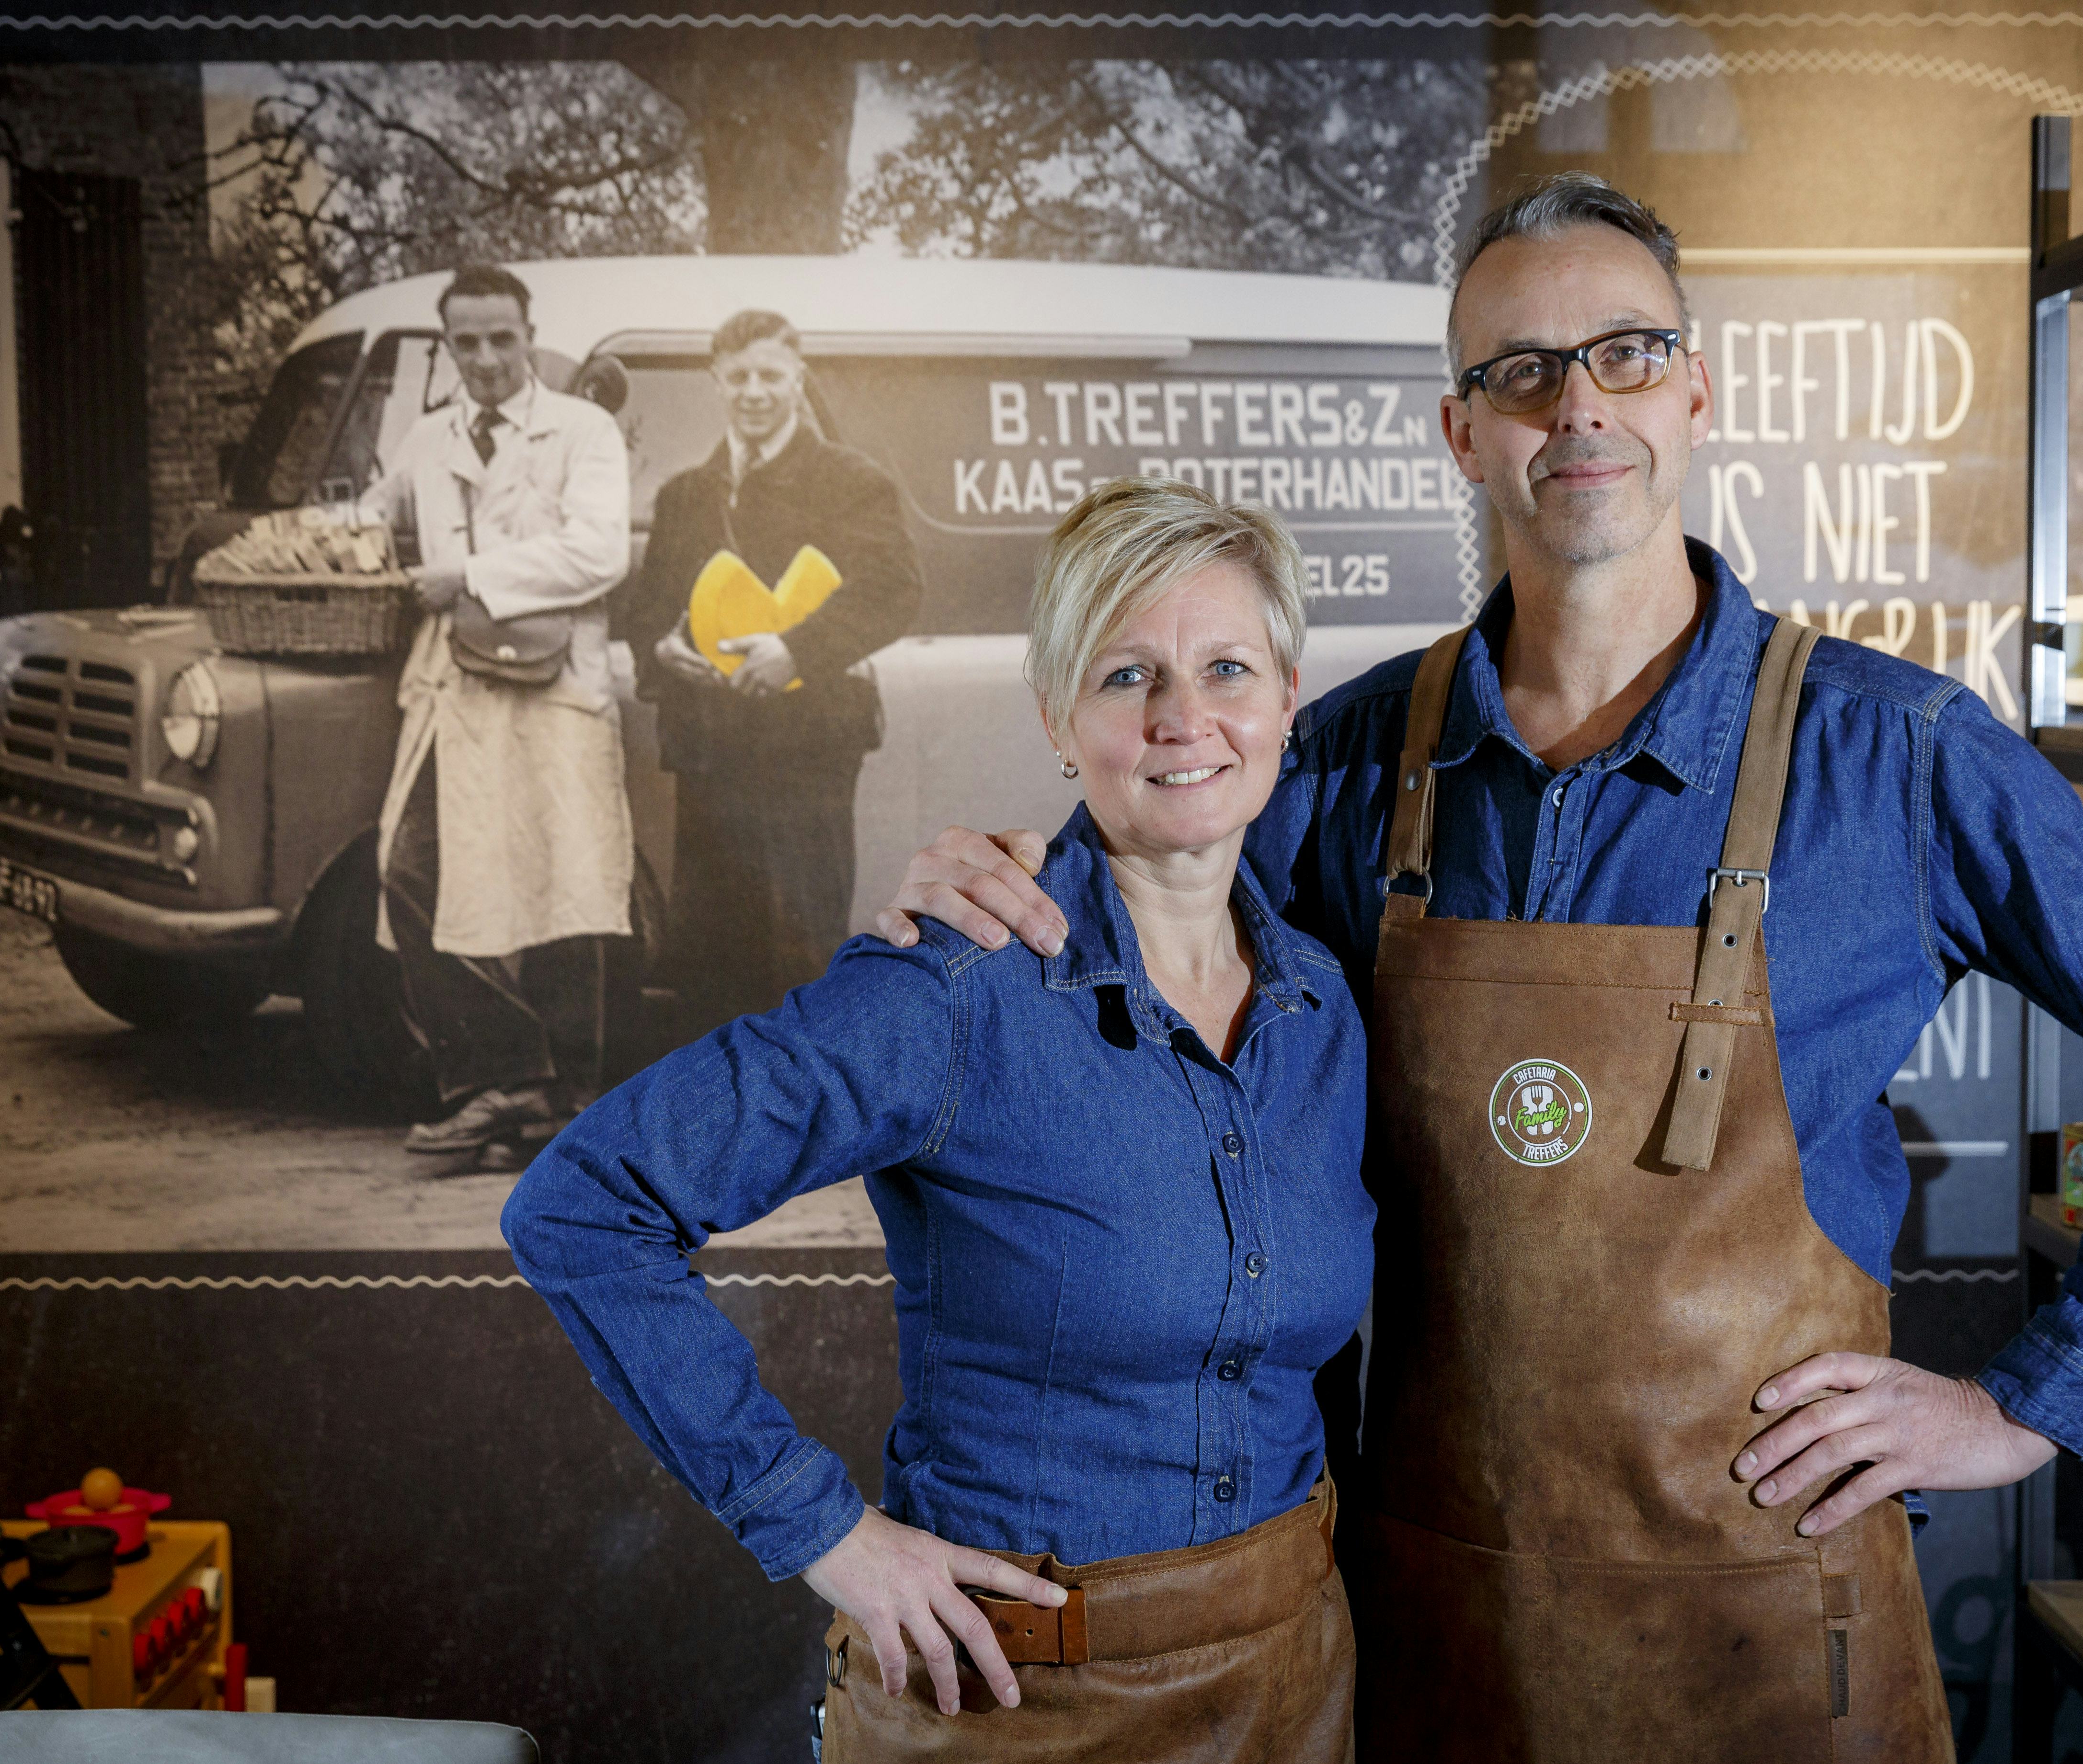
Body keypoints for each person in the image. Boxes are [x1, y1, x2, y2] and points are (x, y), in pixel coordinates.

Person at [872, 175, 2083, 1757]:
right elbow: (1115, 955)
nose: (1577, 405)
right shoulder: (1345, 762)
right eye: (1520, 372)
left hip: (1777, 1632)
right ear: (1462, 433)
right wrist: (993, 886)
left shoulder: (1893, 754)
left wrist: (2030, 1401)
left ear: (1696, 393)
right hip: (1440, 1622)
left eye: (1626, 354)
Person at [508, 479, 1370, 1761]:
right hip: (1015, 1709)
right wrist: (818, 1530)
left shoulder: (1326, 1006)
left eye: (1227, 667)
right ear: (1059, 722)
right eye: (1127, 674)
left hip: (1297, 1685)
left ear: (1286, 700)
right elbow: (583, 1202)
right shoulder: (953, 984)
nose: (1183, 718)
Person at [363, 263, 636, 1156]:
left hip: (555, 692)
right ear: (449, 346)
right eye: (466, 342)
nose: (483, 358)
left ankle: (566, 1102)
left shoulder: (581, 431)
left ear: (528, 337)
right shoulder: (427, 436)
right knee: (408, 871)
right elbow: (379, 512)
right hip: (456, 690)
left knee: (564, 889)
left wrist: (473, 577)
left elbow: (598, 553)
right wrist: (352, 535)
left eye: (500, 339)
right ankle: (505, 1081)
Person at [617, 308, 923, 1034]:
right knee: (710, 949)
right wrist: (662, 649)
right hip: (709, 748)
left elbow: (894, 591)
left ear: (798, 379)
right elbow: (650, 609)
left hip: (807, 748)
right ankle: (732, 1130)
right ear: (717, 382)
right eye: (740, 377)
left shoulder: (850, 480)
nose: (755, 392)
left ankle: (807, 1129)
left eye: (771, 376)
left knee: (799, 940)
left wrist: (796, 652)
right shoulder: (685, 494)